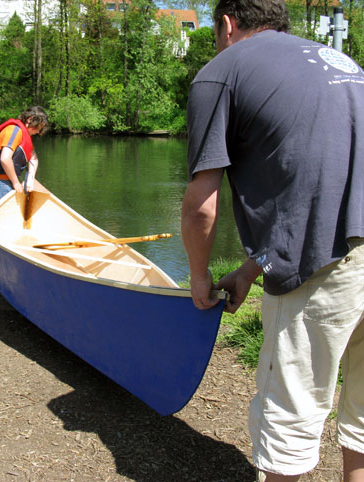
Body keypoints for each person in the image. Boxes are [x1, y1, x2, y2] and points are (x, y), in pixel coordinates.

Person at [181, 0, 364, 480]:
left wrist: (200, 278)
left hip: (324, 267)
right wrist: (250, 268)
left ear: (227, 24)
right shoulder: (341, 64)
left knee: (290, 415)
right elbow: (315, 189)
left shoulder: (223, 72)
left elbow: (203, 201)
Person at [0, 105, 49, 207]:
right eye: (37, 128)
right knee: (11, 214)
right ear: (30, 120)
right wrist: (16, 183)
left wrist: (30, 178)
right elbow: (5, 158)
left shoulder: (23, 134)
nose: (38, 132)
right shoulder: (14, 131)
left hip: (4, 180)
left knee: (2, 217)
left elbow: (33, 158)